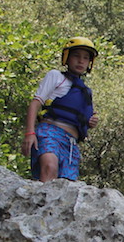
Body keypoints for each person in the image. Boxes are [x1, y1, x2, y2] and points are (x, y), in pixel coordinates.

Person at [21, 37, 99, 182]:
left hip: (71, 143)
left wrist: (91, 122)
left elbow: (82, 119)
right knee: (49, 167)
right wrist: (30, 133)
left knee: (66, 185)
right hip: (50, 132)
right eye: (76, 56)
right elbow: (35, 103)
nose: (81, 61)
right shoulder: (56, 76)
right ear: (67, 57)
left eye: (85, 58)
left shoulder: (86, 92)